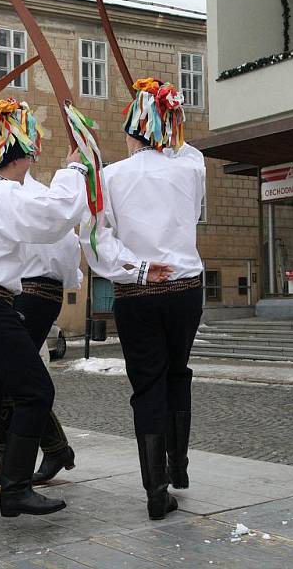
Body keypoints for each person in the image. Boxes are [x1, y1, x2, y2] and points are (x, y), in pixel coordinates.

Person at [0, 98, 169, 531]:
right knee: (34, 389)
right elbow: (53, 217)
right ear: (23, 146)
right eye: (33, 139)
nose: (37, 146)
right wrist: (74, 169)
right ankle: (15, 488)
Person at [80, 78, 200, 521]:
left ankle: (156, 488)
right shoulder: (190, 169)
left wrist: (139, 267)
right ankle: (178, 466)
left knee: (147, 384)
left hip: (135, 292)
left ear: (133, 131)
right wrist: (168, 118)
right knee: (176, 371)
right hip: (186, 288)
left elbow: (95, 240)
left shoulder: (110, 177)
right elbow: (191, 168)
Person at [0, 169, 81, 488]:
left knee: (11, 376)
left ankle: (45, 451)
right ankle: (34, 452)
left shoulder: (34, 194)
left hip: (35, 291)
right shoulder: (1, 192)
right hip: (16, 290)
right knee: (3, 375)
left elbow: (65, 245)